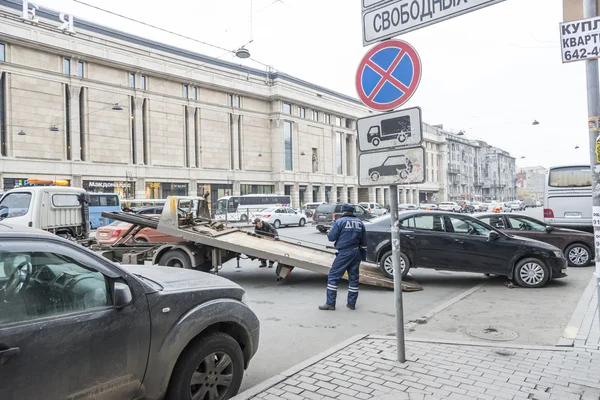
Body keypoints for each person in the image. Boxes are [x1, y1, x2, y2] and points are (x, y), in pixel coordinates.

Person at [319, 204, 367, 311]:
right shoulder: (360, 223)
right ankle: (351, 304)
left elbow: (331, 238)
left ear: (343, 212)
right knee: (353, 279)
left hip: (344, 253)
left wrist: (330, 231)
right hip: (356, 252)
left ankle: (330, 303)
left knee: (333, 276)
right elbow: (364, 242)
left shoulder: (340, 222)